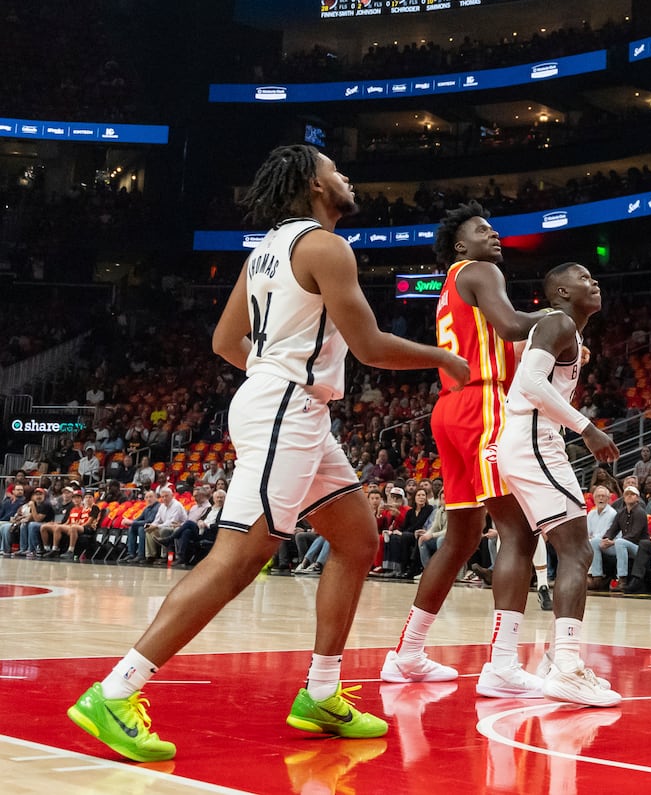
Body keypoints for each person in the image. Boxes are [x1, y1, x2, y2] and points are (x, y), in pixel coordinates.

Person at [68, 144, 470, 762]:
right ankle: (116, 691)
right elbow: (368, 346)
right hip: (288, 409)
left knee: (359, 540)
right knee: (237, 560)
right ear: (314, 184)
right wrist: (441, 357)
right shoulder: (324, 246)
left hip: (288, 407)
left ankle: (320, 693)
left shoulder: (265, 252)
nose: (346, 177)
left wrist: (272, 375)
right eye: (336, 169)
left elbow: (226, 341)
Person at [382, 202, 549, 699]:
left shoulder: (454, 281)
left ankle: (407, 654)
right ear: (461, 245)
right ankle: (502, 665)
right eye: (482, 229)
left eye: (494, 229)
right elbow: (513, 325)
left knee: (461, 536)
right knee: (518, 533)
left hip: (450, 408)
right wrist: (564, 317)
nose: (493, 235)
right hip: (484, 403)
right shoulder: (482, 270)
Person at [492, 263, 621, 707]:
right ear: (562, 291)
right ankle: (566, 665)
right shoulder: (559, 321)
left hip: (531, 438)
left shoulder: (567, 329)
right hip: (532, 438)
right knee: (577, 550)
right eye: (584, 278)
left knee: (558, 547)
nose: (595, 283)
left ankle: (550, 661)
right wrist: (587, 427)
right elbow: (528, 382)